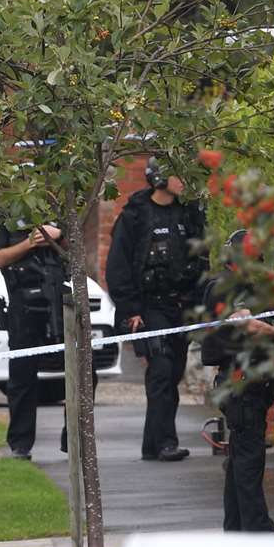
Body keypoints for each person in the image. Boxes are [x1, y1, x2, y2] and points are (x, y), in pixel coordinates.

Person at [106, 156, 207, 462]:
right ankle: (165, 442)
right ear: (160, 178)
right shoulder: (135, 215)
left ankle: (152, 444)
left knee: (173, 371)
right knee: (161, 369)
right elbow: (118, 266)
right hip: (149, 307)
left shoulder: (189, 214)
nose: (184, 181)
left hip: (181, 305)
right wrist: (130, 309)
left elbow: (202, 259)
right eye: (179, 174)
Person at [199, 229, 274, 532]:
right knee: (248, 459)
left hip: (253, 382)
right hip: (241, 383)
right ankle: (258, 531)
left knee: (239, 459)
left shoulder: (249, 289)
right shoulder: (222, 288)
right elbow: (250, 326)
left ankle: (235, 528)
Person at [0, 219, 67, 459]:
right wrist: (29, 242)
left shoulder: (58, 211)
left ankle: (74, 438)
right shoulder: (3, 217)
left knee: (83, 371)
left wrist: (59, 235)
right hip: (23, 306)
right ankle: (20, 444)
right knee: (22, 378)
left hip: (58, 302)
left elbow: (76, 250)